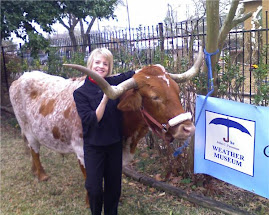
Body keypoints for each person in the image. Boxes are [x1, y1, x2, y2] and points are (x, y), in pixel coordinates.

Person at [73, 48, 135, 215]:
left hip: (114, 145)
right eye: (97, 62)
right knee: (93, 188)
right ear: (90, 64)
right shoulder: (80, 93)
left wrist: (151, 69)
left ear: (109, 67)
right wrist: (106, 96)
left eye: (105, 64)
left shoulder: (112, 82)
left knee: (114, 188)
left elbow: (130, 75)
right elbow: (92, 120)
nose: (101, 66)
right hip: (94, 147)